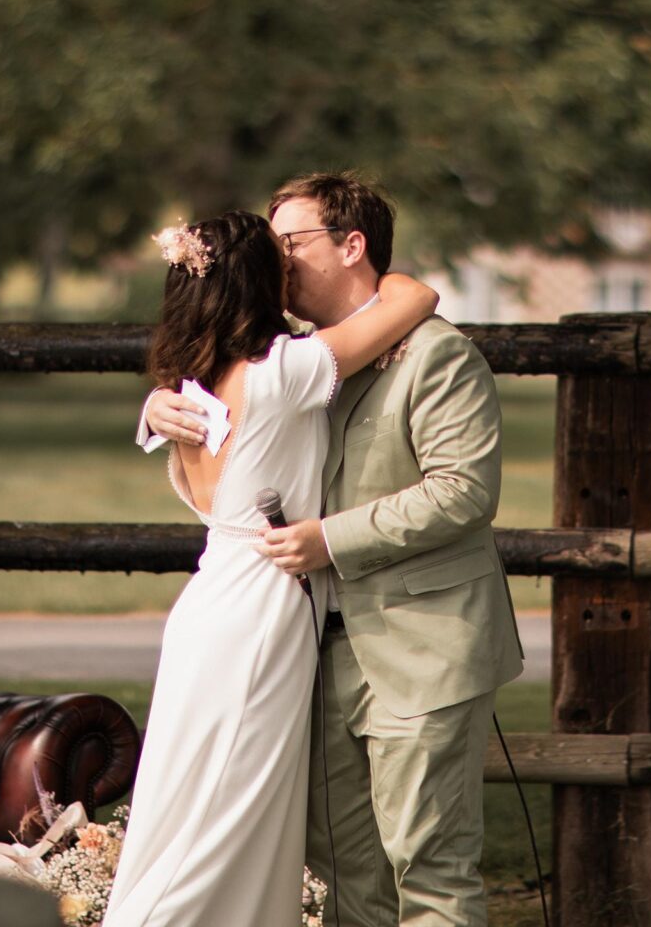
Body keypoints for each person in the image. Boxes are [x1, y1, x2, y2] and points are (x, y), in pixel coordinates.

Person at [143, 174, 524, 926]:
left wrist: (328, 540)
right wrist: (161, 409)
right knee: (346, 870)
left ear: (352, 246)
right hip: (311, 650)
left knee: (429, 865)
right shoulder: (290, 357)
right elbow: (233, 464)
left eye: (292, 243)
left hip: (422, 648)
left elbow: (462, 492)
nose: (278, 262)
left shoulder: (433, 357)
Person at [103, 209, 437, 927]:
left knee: (197, 806)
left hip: (212, 605)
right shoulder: (284, 372)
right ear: (259, 282)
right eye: (279, 261)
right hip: (261, 612)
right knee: (222, 813)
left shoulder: (185, 385)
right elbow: (414, 299)